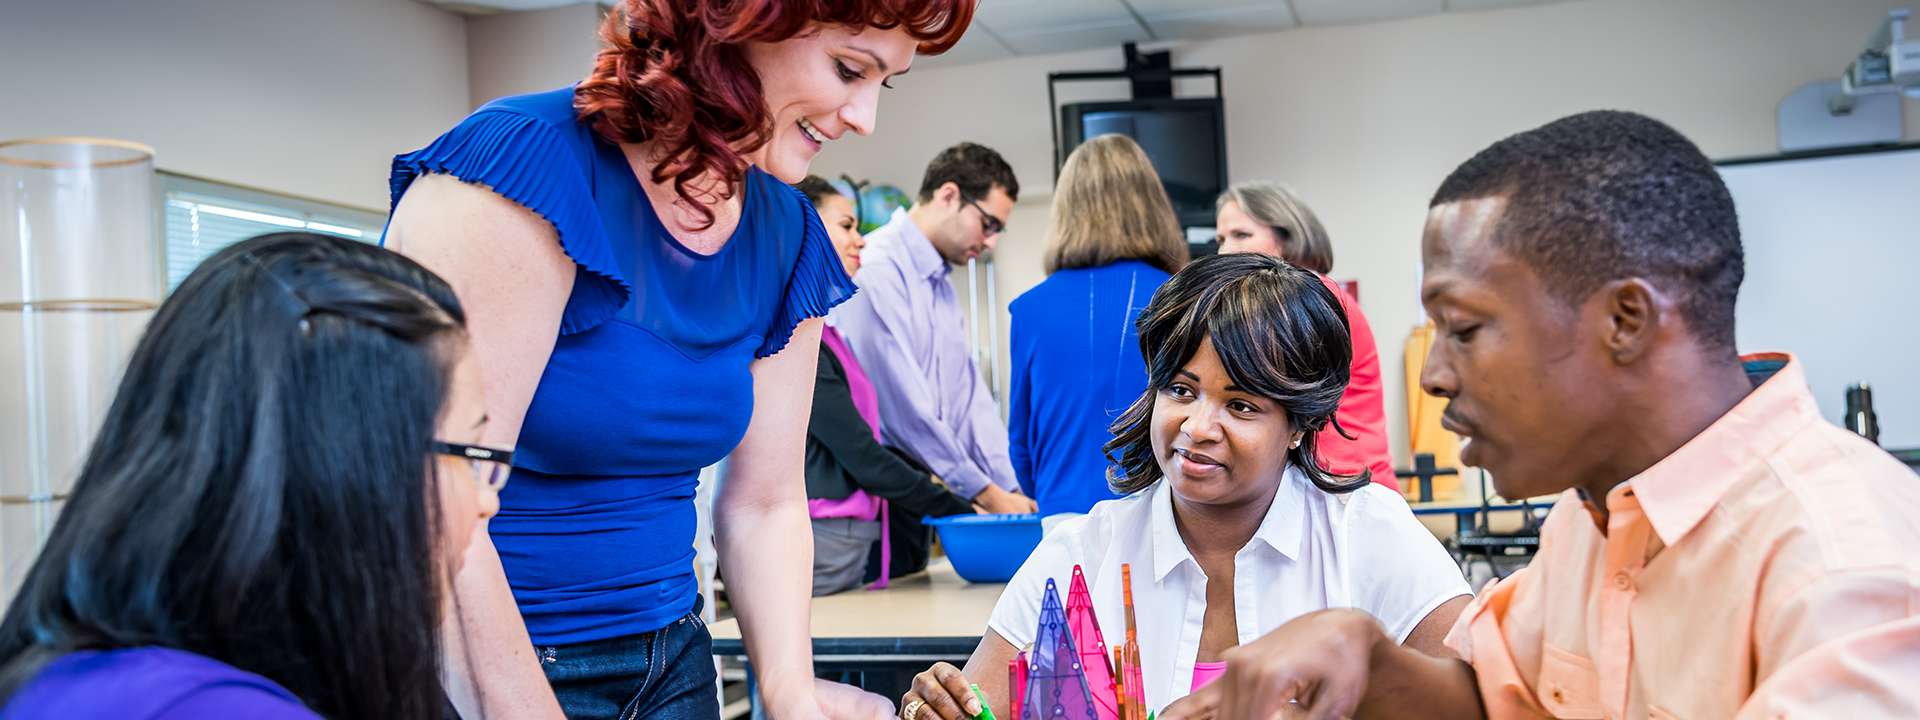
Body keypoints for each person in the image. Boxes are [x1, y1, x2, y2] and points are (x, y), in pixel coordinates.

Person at [1179, 111, 1920, 720]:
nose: (1434, 377)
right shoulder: (1592, 516)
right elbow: (1491, 696)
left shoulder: (1842, 571)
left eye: (1463, 330)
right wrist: (1368, 657)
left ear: (1625, 321)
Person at [380, 1, 973, 718]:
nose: (864, 116)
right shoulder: (518, 173)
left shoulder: (786, 234)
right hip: (489, 664)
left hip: (672, 657)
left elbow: (765, 502)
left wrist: (789, 691)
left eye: (887, 82)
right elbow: (428, 505)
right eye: (850, 69)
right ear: (737, 22)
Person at [900, 254, 1472, 720]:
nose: (1197, 427)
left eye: (1242, 405)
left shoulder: (1369, 537)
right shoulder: (1080, 554)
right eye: (1180, 389)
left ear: (1300, 423)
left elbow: (1477, 699)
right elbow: (974, 703)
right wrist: (937, 709)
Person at [0, 233, 500, 720]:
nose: (488, 501)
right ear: (346, 465)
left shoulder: (87, 676)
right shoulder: (206, 708)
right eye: (472, 454)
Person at [794, 175, 975, 597]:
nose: (860, 240)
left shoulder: (827, 336)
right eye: (846, 226)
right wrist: (958, 506)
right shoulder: (797, 343)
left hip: (847, 538)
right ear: (803, 228)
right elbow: (862, 455)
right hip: (821, 539)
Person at [835, 143, 1038, 515]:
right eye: (988, 224)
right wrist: (988, 492)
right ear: (948, 196)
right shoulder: (875, 267)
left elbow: (969, 402)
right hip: (875, 488)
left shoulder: (940, 283)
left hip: (920, 483)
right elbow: (903, 408)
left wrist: (1015, 489)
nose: (991, 240)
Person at [1007, 134, 1189, 517]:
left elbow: (1020, 443)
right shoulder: (1182, 298)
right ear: (1152, 204)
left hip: (1061, 512)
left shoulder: (1029, 309)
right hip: (1161, 509)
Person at [1215, 184, 1398, 492]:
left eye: (1241, 235)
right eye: (1220, 239)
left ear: (1288, 239)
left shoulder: (1312, 299)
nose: (1224, 251)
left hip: (1343, 488)